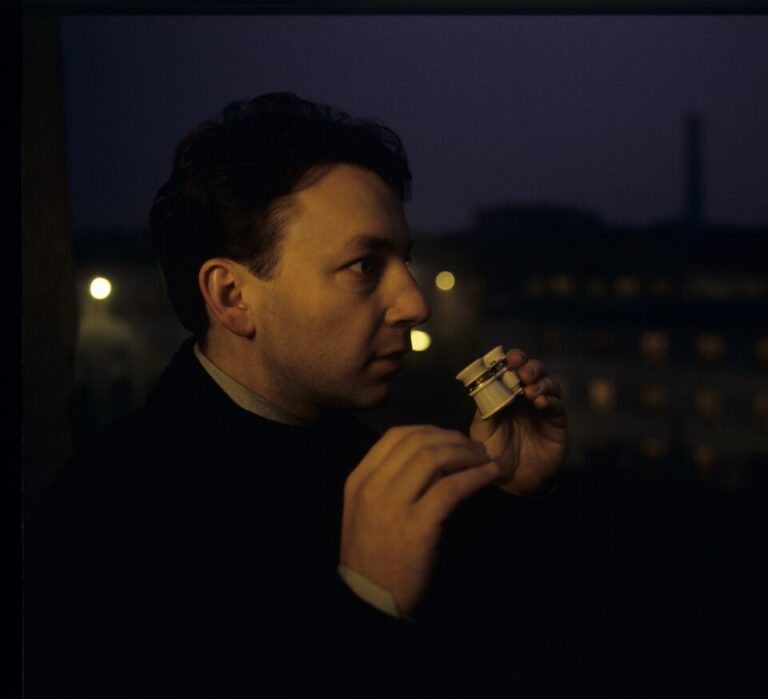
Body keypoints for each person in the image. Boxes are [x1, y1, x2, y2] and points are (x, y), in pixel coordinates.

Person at [25, 92, 569, 697]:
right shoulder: (107, 518)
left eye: (404, 261)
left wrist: (514, 493)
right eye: (365, 266)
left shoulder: (361, 454)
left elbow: (501, 651)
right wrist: (366, 605)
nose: (415, 304)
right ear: (232, 297)